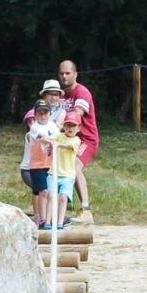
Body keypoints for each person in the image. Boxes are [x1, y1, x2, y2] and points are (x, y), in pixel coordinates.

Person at [57, 60, 99, 212]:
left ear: (75, 74)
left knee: (74, 165)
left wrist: (57, 125)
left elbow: (77, 114)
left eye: (68, 73)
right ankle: (63, 203)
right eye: (62, 73)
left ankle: (85, 208)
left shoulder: (82, 92)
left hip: (86, 139)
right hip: (66, 138)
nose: (64, 76)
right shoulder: (59, 95)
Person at [19, 99, 59, 227]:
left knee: (50, 192)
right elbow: (42, 137)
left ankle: (49, 218)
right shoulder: (34, 127)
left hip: (50, 164)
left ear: (50, 114)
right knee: (43, 191)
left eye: (45, 113)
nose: (43, 116)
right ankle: (42, 218)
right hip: (37, 166)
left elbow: (58, 136)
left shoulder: (53, 126)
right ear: (35, 115)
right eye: (40, 113)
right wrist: (53, 141)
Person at [44, 111, 83, 230]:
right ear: (63, 126)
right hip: (53, 173)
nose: (70, 128)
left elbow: (68, 146)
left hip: (67, 175)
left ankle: (60, 222)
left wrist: (56, 144)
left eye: (73, 126)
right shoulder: (59, 136)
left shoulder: (76, 140)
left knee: (63, 198)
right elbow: (48, 138)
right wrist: (45, 139)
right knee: (51, 196)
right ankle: (47, 222)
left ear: (78, 128)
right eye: (68, 125)